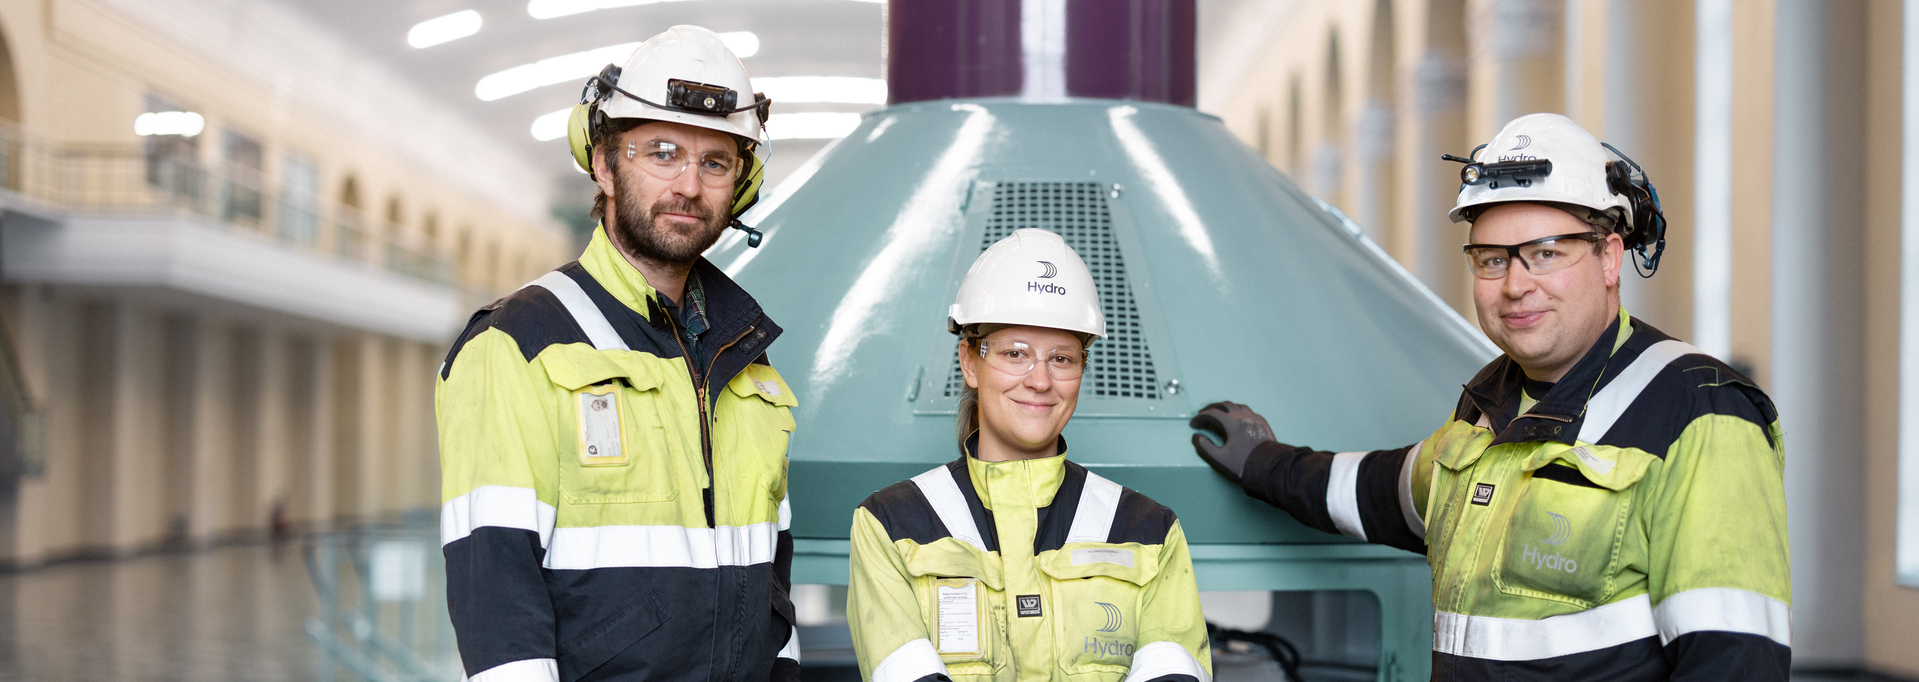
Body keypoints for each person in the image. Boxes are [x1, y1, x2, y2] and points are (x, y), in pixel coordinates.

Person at [1189, 113, 1790, 680]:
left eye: (1546, 253)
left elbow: (1735, 661)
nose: (1515, 285)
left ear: (1609, 257)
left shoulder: (1699, 412)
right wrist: (1262, 462)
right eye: (1492, 260)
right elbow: (1379, 490)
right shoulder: (1488, 408)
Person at [436, 25, 799, 682]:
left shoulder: (745, 359)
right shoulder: (517, 343)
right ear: (604, 164)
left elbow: (772, 577)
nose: (688, 185)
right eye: (661, 152)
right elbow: (494, 593)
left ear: (739, 186)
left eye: (715, 162)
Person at [848, 229, 1212, 682]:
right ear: (969, 362)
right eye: (1015, 353)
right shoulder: (892, 525)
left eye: (1062, 358)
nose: (1040, 380)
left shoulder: (1149, 532)